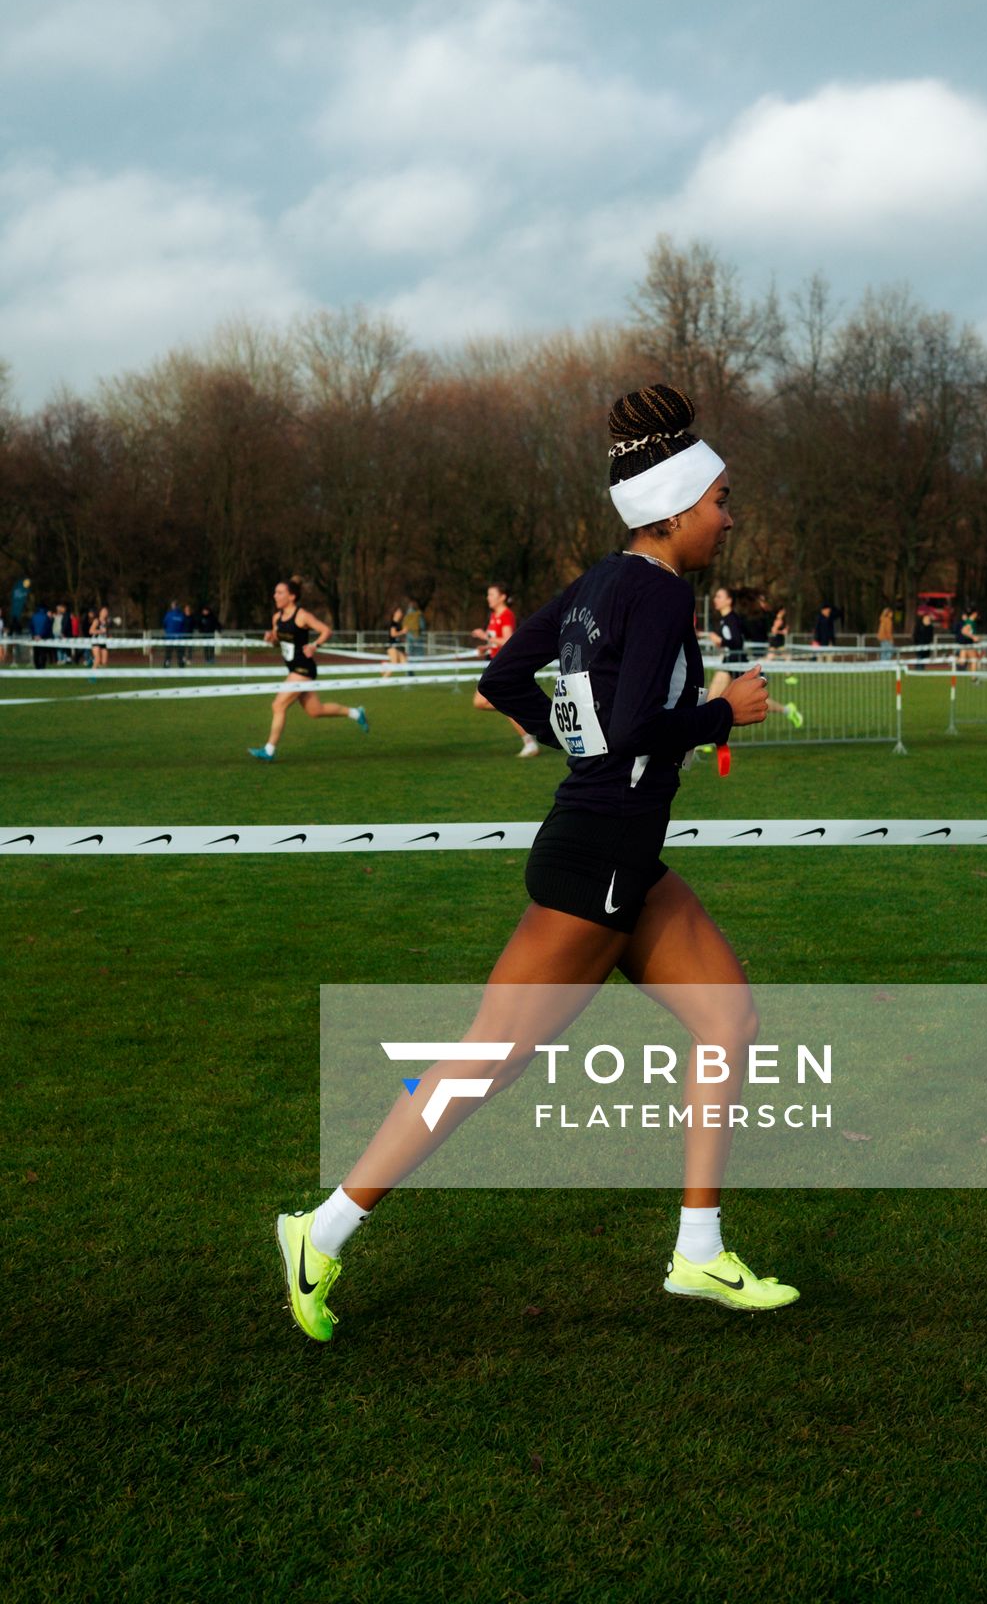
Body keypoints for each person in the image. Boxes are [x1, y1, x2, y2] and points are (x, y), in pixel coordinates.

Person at [274, 383, 798, 1343]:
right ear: (676, 508)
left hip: (620, 856)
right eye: (720, 500)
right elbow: (640, 726)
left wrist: (585, 749)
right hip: (597, 861)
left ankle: (698, 1247)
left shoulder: (601, 581)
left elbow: (504, 679)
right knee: (485, 1063)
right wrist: (727, 712)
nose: (729, 517)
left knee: (729, 1015)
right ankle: (323, 1229)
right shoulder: (660, 593)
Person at [248, 577, 369, 761]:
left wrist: (314, 645)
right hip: (293, 669)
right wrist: (270, 639)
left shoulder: (302, 615)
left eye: (280, 592)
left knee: (278, 705)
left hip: (303, 669)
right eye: (275, 592)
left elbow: (326, 630)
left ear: (292, 596)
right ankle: (356, 713)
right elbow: (278, 643)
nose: (275, 596)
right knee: (315, 711)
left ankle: (269, 750)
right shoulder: (276, 618)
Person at [703, 586, 801, 728]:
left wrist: (720, 641)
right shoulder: (726, 619)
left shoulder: (732, 619)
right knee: (722, 701)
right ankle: (787, 709)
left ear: (729, 600)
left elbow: (737, 642)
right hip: (730, 662)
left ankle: (707, 740)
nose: (715, 599)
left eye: (719, 596)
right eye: (715, 596)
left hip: (734, 663)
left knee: (714, 700)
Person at [472, 582, 539, 757]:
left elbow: (508, 641)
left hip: (502, 667)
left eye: (491, 594)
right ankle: (527, 732)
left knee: (484, 701)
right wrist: (486, 647)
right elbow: (497, 642)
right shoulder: (494, 616)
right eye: (488, 595)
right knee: (484, 702)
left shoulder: (506, 615)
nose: (488, 598)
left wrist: (484, 636)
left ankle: (529, 740)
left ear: (502, 597)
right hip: (494, 664)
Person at [162, 599, 188, 670]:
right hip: (179, 638)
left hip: (169, 637)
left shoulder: (168, 614)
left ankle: (167, 665)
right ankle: (181, 666)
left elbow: (164, 624)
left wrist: (167, 631)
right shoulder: (181, 615)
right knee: (180, 653)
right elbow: (184, 626)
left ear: (173, 606)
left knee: (168, 653)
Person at [382, 606, 408, 676]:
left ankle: (385, 665)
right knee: (394, 664)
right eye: (399, 612)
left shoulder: (398, 624)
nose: (401, 613)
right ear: (395, 613)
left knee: (405, 663)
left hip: (398, 647)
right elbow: (393, 634)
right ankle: (384, 680)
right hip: (391, 646)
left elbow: (398, 637)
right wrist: (402, 632)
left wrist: (404, 649)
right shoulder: (393, 623)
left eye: (401, 612)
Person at [89, 605, 111, 672]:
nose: (105, 613)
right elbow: (90, 631)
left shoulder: (107, 622)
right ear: (100, 612)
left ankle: (103, 677)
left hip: (103, 642)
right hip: (96, 642)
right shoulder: (97, 620)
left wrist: (109, 636)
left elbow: (106, 633)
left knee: (104, 662)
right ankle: (92, 676)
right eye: (103, 611)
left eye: (106, 611)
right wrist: (100, 631)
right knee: (98, 659)